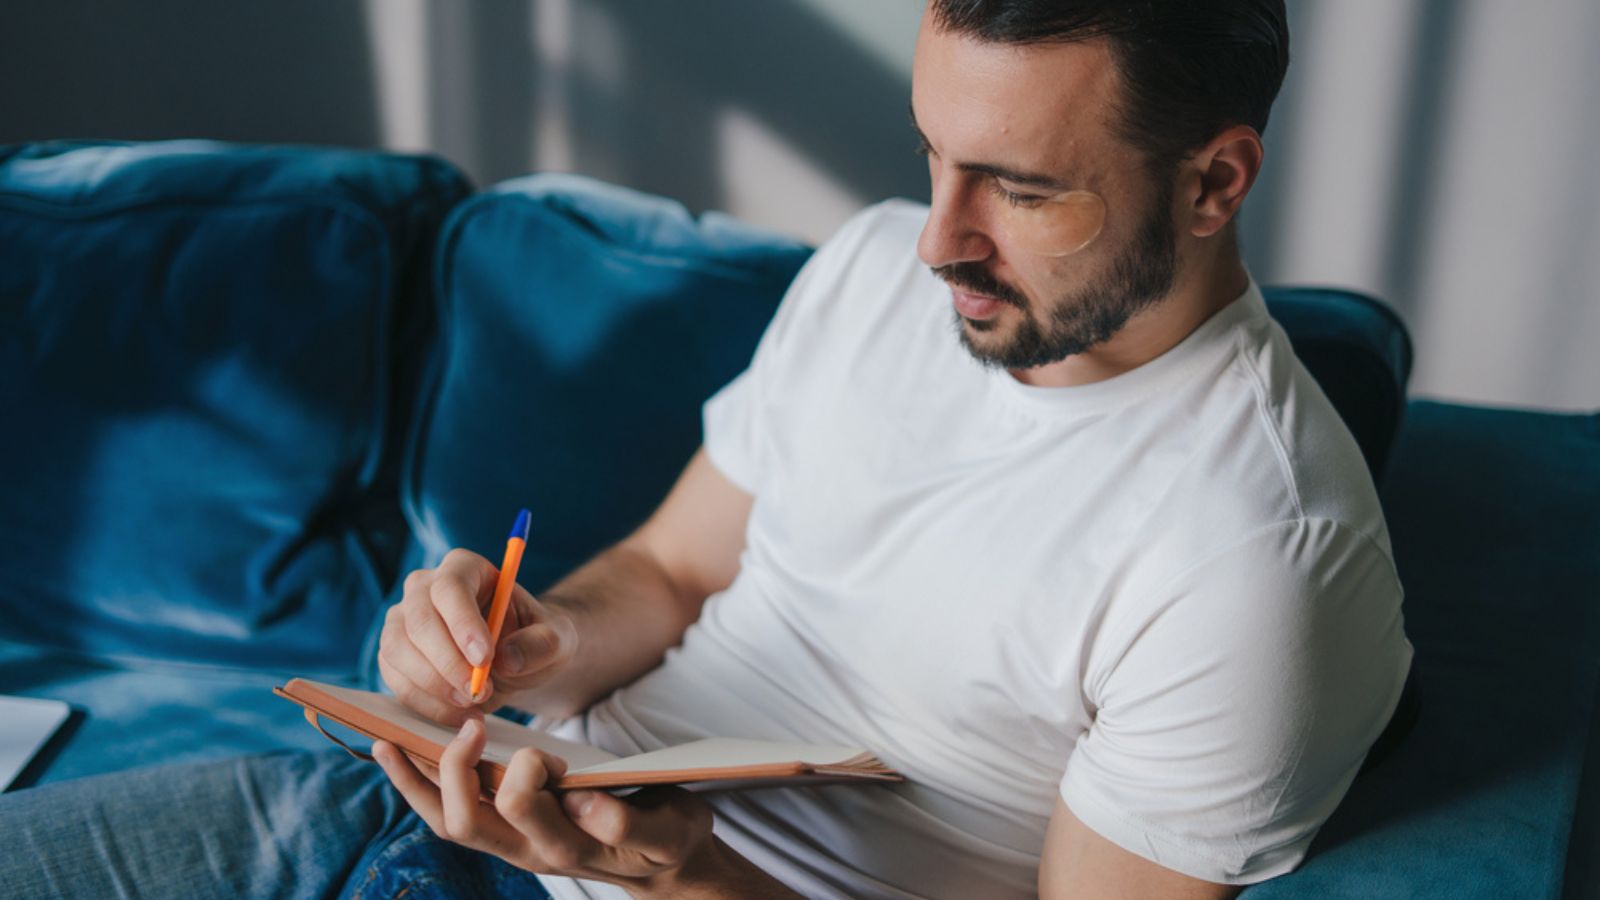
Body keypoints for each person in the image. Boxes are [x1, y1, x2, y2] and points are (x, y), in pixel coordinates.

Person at [0, 2, 1412, 898]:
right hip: (410, 812)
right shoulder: (873, 269)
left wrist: (687, 883)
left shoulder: (1254, 558)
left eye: (1021, 189)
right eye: (932, 156)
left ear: (1216, 180)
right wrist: (525, 637)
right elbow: (671, 572)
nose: (937, 240)